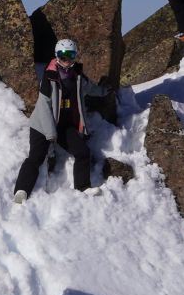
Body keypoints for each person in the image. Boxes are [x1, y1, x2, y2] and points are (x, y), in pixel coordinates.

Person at [13, 38, 114, 201]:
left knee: (83, 152)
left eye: (71, 55)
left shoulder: (78, 77)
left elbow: (91, 89)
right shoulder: (49, 78)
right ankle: (21, 191)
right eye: (62, 56)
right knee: (36, 158)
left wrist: (103, 91)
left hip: (63, 126)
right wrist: (50, 135)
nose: (66, 60)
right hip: (41, 125)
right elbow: (44, 107)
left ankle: (83, 187)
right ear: (57, 55)